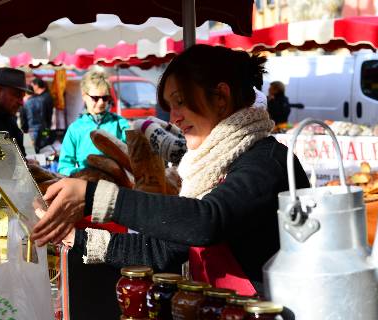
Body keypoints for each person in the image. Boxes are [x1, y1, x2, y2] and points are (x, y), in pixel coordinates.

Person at [31, 45, 310, 294]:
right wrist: (76, 238)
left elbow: (206, 221)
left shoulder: (268, 161)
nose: (174, 117)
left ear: (221, 97)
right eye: (170, 106)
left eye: (180, 102)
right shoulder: (206, 170)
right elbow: (161, 250)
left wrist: (95, 196)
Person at [57, 67, 130, 176]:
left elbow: (134, 156)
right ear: (84, 96)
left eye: (105, 98)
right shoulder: (75, 129)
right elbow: (64, 167)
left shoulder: (120, 123)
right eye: (95, 98)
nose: (101, 102)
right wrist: (82, 173)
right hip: (87, 185)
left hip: (117, 184)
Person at [20, 85, 46, 153]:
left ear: (26, 93)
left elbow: (23, 120)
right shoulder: (42, 101)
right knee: (42, 152)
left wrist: (24, 132)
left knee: (30, 153)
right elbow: (47, 116)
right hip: (43, 130)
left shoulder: (26, 104)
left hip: (31, 132)